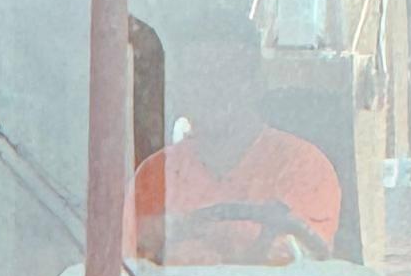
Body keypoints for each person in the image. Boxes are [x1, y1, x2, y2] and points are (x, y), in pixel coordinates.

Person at [130, 20, 340, 262]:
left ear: (257, 85)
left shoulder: (304, 167)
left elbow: (293, 257)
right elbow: (126, 266)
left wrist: (196, 233)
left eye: (227, 75)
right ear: (180, 89)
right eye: (198, 77)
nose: (212, 90)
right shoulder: (154, 176)